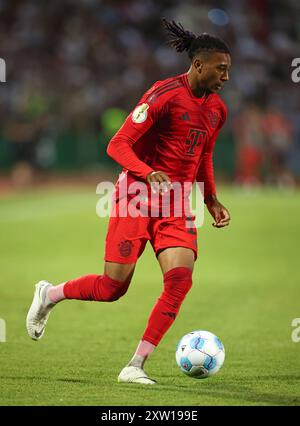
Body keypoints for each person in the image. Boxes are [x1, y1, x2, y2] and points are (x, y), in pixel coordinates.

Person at [26, 19, 231, 385]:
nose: (226, 77)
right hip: (135, 196)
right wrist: (147, 171)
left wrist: (211, 199)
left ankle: (135, 365)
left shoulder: (217, 110)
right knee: (112, 287)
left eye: (228, 70)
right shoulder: (164, 94)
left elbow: (205, 156)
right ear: (199, 65)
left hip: (177, 205)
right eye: (221, 68)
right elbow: (117, 144)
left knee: (180, 280)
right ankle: (50, 294)